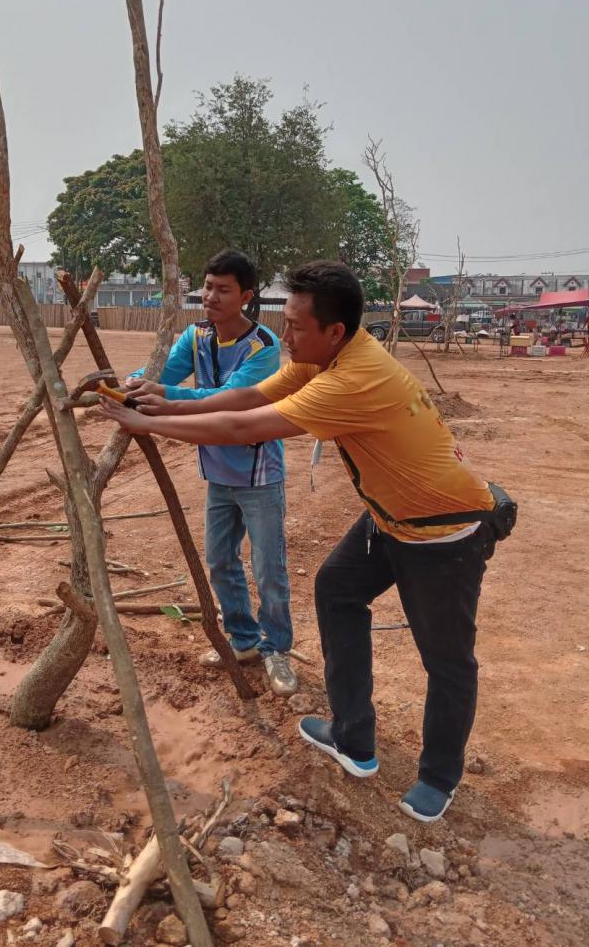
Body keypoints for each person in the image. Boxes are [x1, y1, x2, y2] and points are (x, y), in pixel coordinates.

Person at [103, 261, 500, 823]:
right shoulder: (325, 355)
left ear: (334, 331)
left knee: (447, 659)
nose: (283, 335)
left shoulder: (351, 380)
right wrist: (169, 405)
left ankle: (438, 777)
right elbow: (251, 397)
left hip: (442, 531)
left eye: (294, 326)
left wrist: (150, 425)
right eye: (284, 320)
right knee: (337, 591)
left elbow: (245, 428)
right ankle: (353, 739)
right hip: (387, 517)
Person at [125, 249, 297, 696]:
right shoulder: (196, 335)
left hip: (258, 475)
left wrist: (166, 398)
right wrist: (131, 383)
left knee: (268, 568)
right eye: (207, 287)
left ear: (246, 296)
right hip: (218, 472)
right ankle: (243, 641)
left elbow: (231, 400)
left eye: (223, 290)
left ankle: (276, 648)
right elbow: (163, 371)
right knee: (221, 561)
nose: (211, 297)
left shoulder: (263, 346)